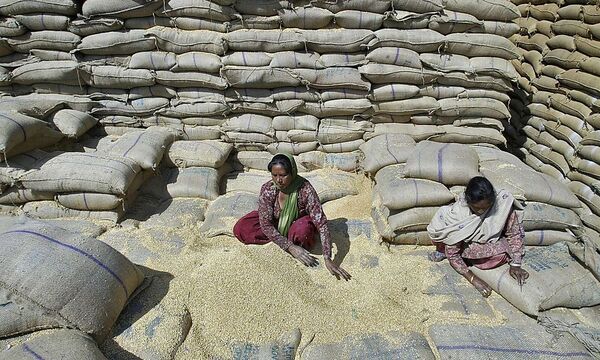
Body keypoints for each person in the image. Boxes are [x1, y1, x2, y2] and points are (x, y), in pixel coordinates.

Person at [233, 153, 352, 281]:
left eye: (283, 175)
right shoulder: (268, 189)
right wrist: (290, 247)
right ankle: (286, 240)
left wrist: (327, 258)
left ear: (293, 172)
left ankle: (289, 239)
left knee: (303, 231)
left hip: (296, 223)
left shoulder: (305, 189)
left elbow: (321, 224)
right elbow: (266, 224)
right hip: (275, 222)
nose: (278, 180)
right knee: (242, 228)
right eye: (275, 175)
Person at [426, 176, 529, 297]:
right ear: (468, 201)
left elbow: (514, 233)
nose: (481, 212)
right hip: (462, 243)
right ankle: (443, 249)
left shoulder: (502, 205)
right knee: (482, 254)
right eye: (477, 208)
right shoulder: (458, 214)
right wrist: (473, 279)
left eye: (486, 207)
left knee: (499, 255)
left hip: (486, 240)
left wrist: (516, 264)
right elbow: (453, 253)